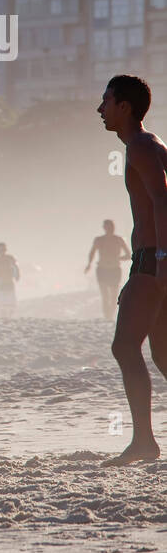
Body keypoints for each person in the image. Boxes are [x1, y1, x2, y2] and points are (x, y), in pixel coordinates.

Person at [99, 75, 167, 465]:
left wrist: (158, 263)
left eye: (106, 101)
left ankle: (144, 442)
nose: (100, 109)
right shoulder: (150, 143)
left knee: (125, 346)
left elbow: (161, 199)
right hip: (151, 258)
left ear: (124, 106)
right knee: (163, 355)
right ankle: (144, 441)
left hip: (154, 258)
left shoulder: (140, 145)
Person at [86, 219, 132, 321]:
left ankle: (110, 315)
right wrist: (89, 264)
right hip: (102, 269)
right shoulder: (99, 240)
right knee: (105, 295)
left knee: (114, 296)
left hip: (114, 270)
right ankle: (107, 316)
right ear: (104, 228)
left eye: (111, 226)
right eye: (107, 227)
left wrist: (118, 258)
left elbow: (129, 255)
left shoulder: (119, 240)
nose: (109, 229)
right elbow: (92, 252)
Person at [0, 242, 20, 319]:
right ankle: (4, 318)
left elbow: (16, 268)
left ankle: (7, 317)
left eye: (3, 249)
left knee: (10, 306)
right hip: (1, 284)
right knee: (2, 306)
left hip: (8, 283)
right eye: (0, 250)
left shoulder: (10, 258)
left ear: (5, 249)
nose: (2, 251)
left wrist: (17, 275)